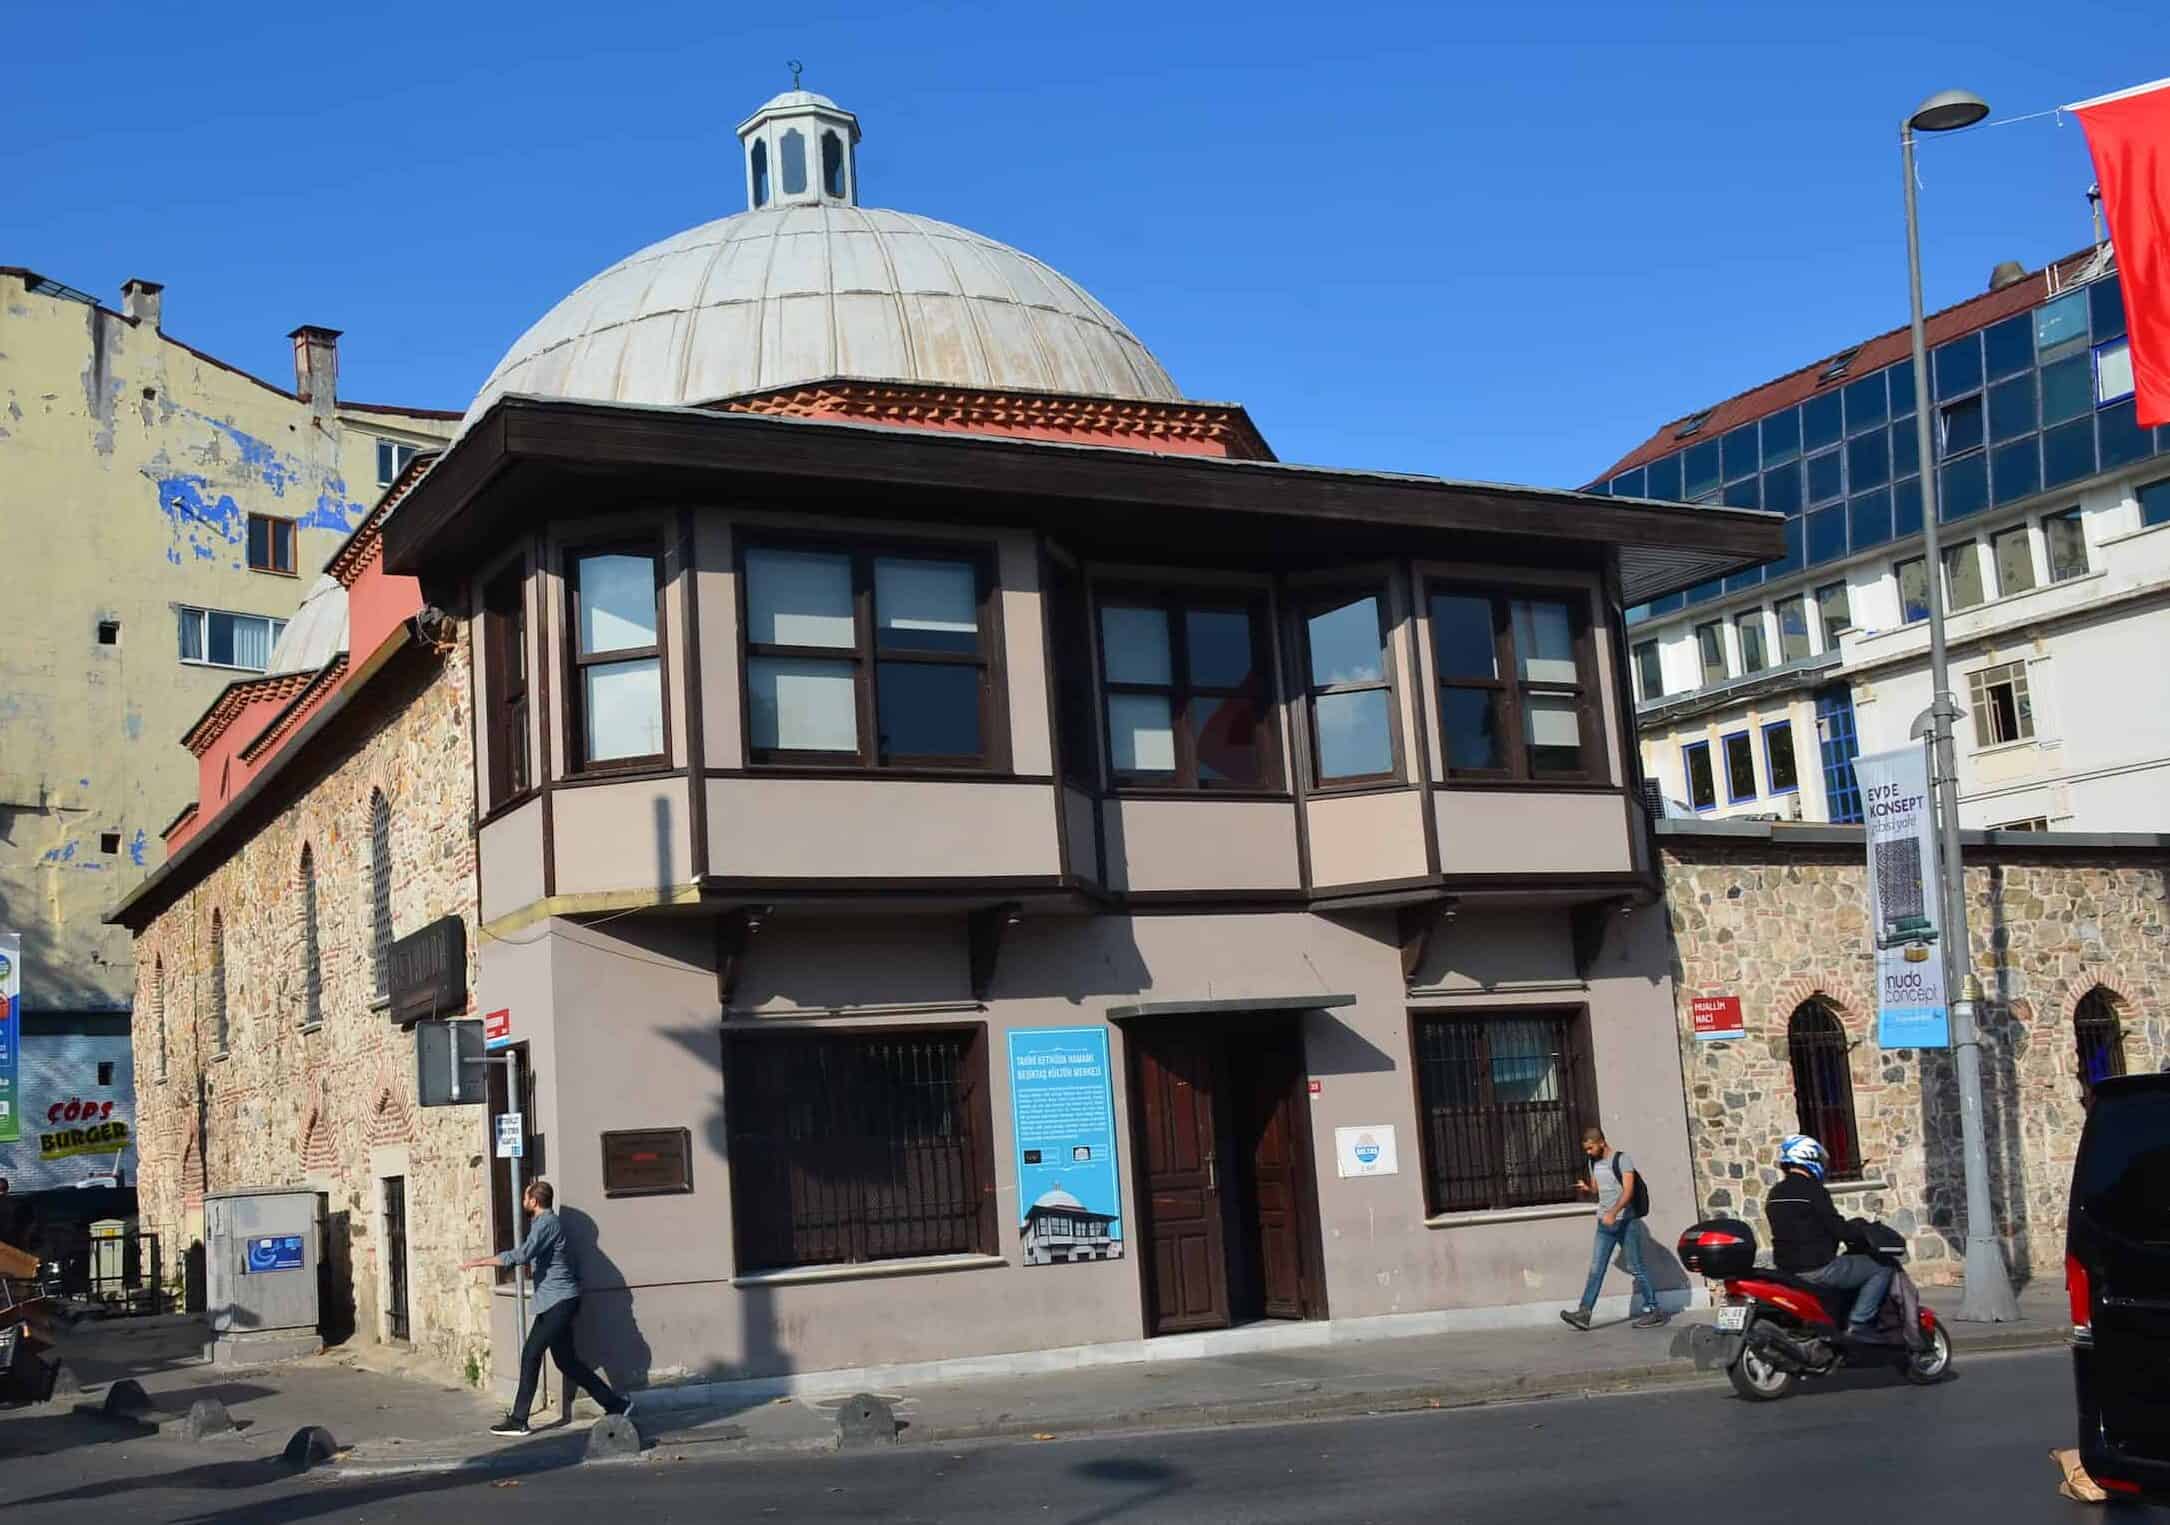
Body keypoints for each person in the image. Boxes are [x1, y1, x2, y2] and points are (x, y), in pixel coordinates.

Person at [461, 1179, 631, 1435]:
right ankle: (616, 1404)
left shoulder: (547, 1223)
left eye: (525, 1197)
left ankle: (519, 1420)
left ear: (534, 1201)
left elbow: (523, 1255)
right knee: (567, 1362)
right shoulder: (545, 1223)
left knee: (531, 1353)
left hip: (559, 1302)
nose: (522, 1200)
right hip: (556, 1301)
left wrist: (481, 1261)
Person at [1764, 1134, 1900, 1345]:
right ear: (1809, 1159)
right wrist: (1861, 1233)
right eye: (1820, 1160)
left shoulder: (1775, 1193)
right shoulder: (1814, 1191)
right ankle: (1859, 1323)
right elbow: (1838, 1228)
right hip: (1818, 1268)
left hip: (1787, 1269)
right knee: (1882, 1267)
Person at [1560, 1126, 1665, 1331]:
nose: (1588, 1153)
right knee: (1596, 1269)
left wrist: (1614, 1211)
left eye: (1590, 1148)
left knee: (1636, 1267)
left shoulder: (1622, 1159)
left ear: (1601, 1142)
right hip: (1604, 1224)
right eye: (1586, 1150)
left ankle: (1653, 1310)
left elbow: (1628, 1190)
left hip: (1626, 1222)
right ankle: (1584, 1313)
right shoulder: (1594, 1162)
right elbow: (1597, 1189)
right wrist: (1587, 1189)